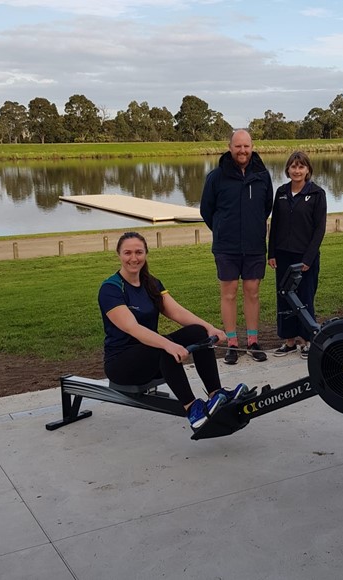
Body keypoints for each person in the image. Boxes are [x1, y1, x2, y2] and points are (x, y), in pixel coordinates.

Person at [98, 231, 249, 431]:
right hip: (122, 364)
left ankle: (216, 394)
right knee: (163, 347)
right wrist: (169, 344)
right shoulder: (111, 289)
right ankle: (193, 410)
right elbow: (131, 327)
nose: (133, 258)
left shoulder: (151, 283)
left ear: (146, 254)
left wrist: (209, 328)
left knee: (197, 333)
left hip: (151, 356)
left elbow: (177, 312)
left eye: (139, 252)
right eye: (127, 253)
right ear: (119, 254)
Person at [200, 129, 273, 365]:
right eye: (238, 146)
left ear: (252, 147)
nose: (242, 151)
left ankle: (253, 342)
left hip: (254, 247)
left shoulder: (262, 175)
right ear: (230, 147)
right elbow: (206, 211)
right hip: (226, 247)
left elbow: (266, 208)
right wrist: (223, 229)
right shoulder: (216, 177)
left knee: (252, 292)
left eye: (246, 146)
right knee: (229, 294)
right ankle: (232, 344)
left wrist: (252, 228)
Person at [268, 151, 327, 359]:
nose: (297, 170)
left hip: (305, 258)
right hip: (283, 256)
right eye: (293, 166)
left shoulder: (317, 193)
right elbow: (274, 225)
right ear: (287, 170)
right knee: (284, 299)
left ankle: (307, 340)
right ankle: (289, 340)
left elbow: (319, 229)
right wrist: (271, 252)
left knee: (305, 298)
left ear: (308, 170)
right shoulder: (281, 192)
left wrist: (308, 259)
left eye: (301, 167)